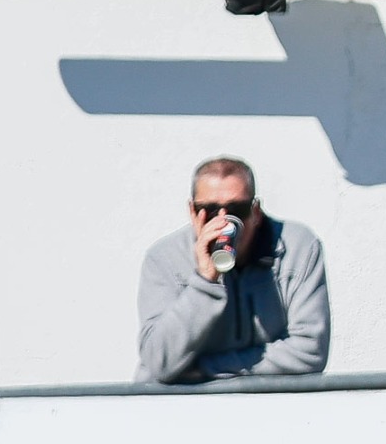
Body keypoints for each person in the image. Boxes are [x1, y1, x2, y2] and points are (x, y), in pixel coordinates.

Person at [135, 156, 330, 383]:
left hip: (265, 401)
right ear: (192, 211)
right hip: (182, 403)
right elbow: (158, 362)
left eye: (237, 210)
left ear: (256, 212)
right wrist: (205, 281)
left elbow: (310, 350)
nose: (223, 221)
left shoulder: (297, 247)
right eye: (209, 210)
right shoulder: (164, 258)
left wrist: (208, 368)